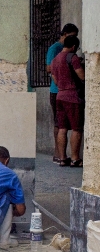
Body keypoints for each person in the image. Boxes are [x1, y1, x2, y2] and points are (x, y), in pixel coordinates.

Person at [46, 23, 79, 164]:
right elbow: (49, 68)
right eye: (72, 36)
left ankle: (62, 157)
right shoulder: (55, 49)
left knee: (62, 125)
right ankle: (59, 154)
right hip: (58, 90)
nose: (74, 39)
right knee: (60, 124)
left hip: (60, 91)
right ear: (65, 34)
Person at [51, 35, 85, 167]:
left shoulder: (55, 60)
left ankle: (62, 158)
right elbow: (81, 75)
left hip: (60, 96)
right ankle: (75, 159)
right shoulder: (73, 57)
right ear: (74, 47)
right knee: (77, 128)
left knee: (62, 128)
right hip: (73, 97)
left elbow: (55, 80)